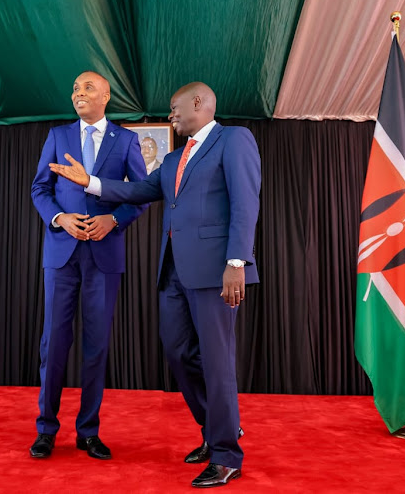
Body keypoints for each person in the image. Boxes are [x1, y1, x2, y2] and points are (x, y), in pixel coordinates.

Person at [49, 82, 261, 488]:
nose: (171, 115)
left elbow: (245, 202)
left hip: (216, 272)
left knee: (218, 364)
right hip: (174, 273)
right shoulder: (174, 158)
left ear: (199, 101)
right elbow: (137, 190)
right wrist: (88, 182)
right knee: (178, 353)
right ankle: (217, 429)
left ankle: (225, 454)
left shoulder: (234, 140)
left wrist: (237, 261)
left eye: (174, 108)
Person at [29, 71, 147, 460]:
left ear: (106, 95)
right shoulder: (58, 136)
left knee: (96, 345)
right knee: (54, 342)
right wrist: (59, 219)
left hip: (104, 254)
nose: (78, 92)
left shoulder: (127, 140)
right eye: (75, 87)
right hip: (62, 252)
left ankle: (88, 431)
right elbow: (40, 189)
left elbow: (141, 195)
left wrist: (114, 219)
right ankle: (46, 429)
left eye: (87, 87)